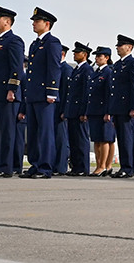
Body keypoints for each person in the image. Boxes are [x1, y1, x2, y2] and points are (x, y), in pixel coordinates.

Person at [20, 7, 62, 179]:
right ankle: (35, 164)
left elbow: (54, 67)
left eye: (37, 21)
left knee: (45, 132)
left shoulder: (52, 43)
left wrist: (51, 91)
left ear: (47, 24)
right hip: (33, 94)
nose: (33, 24)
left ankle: (45, 167)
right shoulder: (35, 44)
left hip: (45, 95)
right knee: (34, 132)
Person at [0, 6, 24, 178]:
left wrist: (12, 89)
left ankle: (6, 167)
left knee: (6, 132)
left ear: (7, 22)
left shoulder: (14, 41)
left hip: (6, 94)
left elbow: (16, 68)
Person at [108, 35, 134, 178]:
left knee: (129, 139)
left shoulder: (133, 63)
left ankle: (130, 168)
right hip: (118, 107)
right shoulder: (117, 65)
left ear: (129, 47)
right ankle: (124, 166)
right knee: (121, 139)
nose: (118, 47)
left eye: (121, 45)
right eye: (117, 45)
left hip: (128, 108)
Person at [64, 42, 93, 176]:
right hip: (72, 110)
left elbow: (86, 93)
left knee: (81, 140)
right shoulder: (76, 69)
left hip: (79, 110)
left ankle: (83, 167)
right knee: (73, 140)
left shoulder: (87, 70)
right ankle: (76, 167)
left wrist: (84, 111)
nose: (74, 54)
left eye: (77, 52)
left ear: (85, 55)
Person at [88, 47, 115, 176]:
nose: (97, 58)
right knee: (97, 139)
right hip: (94, 110)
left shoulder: (109, 72)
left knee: (105, 139)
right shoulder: (95, 73)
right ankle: (99, 164)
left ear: (107, 58)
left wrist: (109, 111)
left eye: (100, 56)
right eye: (96, 56)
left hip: (104, 110)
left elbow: (110, 94)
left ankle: (103, 165)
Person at [54, 45, 72, 175]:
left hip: (60, 109)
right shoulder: (56, 68)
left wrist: (64, 110)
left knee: (61, 139)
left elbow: (66, 92)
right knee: (53, 138)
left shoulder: (66, 69)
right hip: (53, 109)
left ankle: (61, 166)